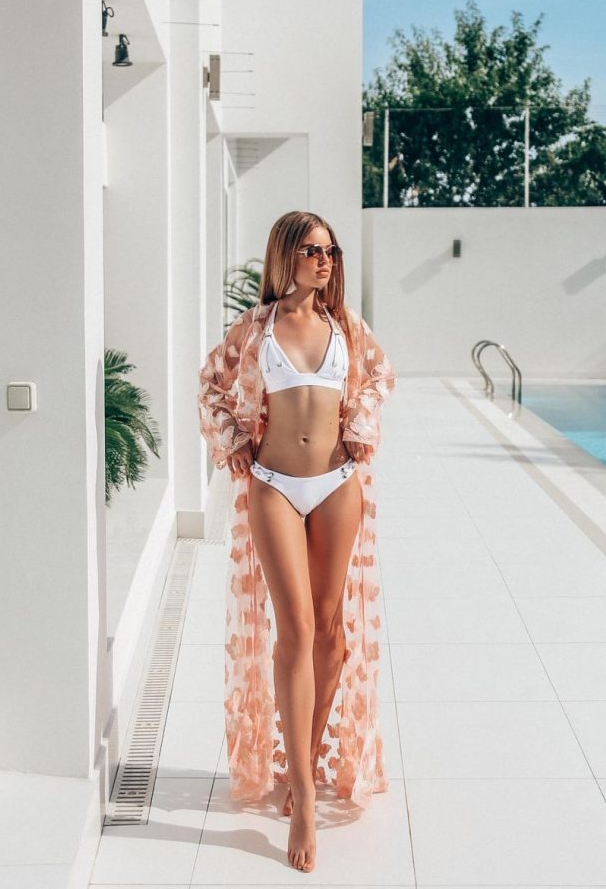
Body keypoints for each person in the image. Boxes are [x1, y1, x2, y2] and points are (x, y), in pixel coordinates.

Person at [197, 211, 396, 873]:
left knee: (332, 636)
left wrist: (359, 422)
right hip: (275, 486)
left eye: (330, 250)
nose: (324, 260)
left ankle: (304, 760)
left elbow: (381, 377)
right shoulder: (256, 328)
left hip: (337, 483)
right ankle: (304, 798)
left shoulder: (346, 328)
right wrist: (233, 440)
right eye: (312, 250)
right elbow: (210, 383)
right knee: (297, 630)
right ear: (285, 255)